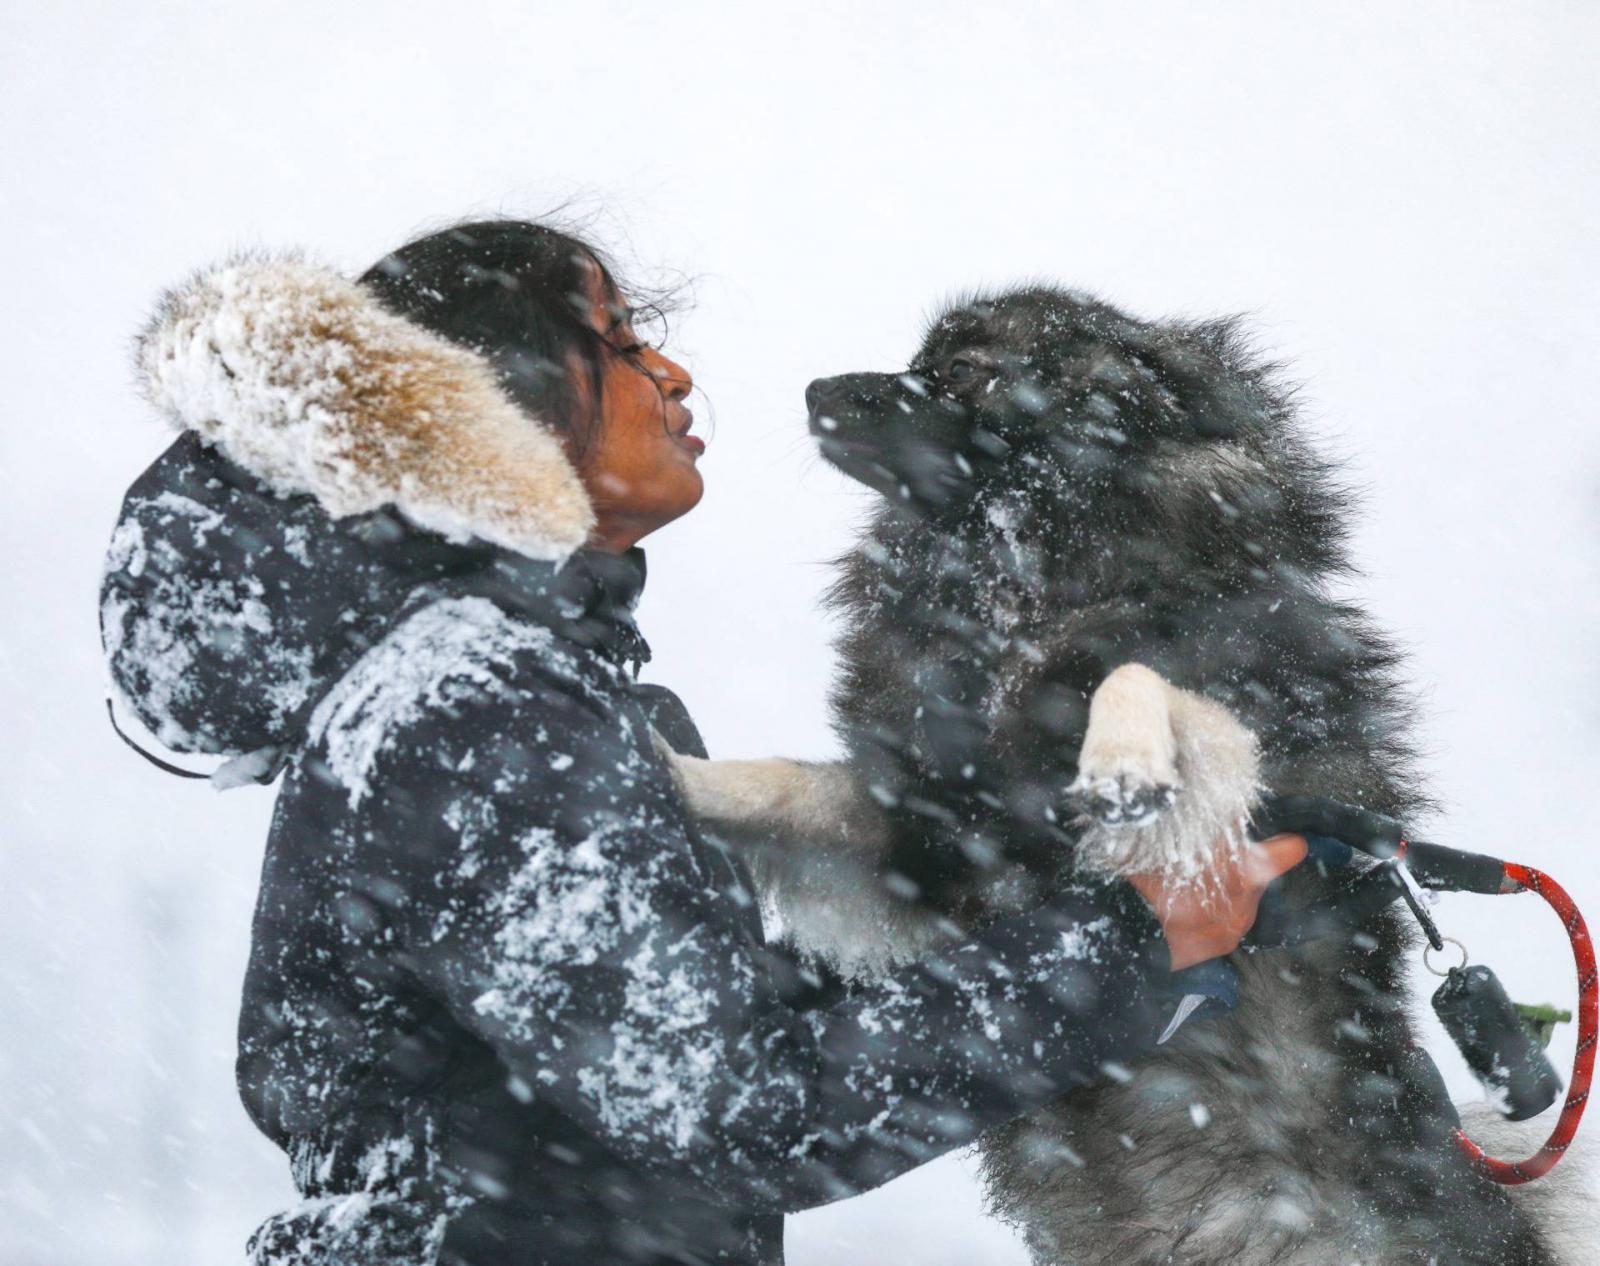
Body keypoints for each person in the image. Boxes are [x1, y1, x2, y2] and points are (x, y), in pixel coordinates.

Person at [101, 219, 1306, 1265]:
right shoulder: (475, 703)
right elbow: (737, 1108)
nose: (671, 375)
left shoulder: (511, 690)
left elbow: (707, 1036)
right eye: (620, 344)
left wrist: (1023, 894)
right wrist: (1124, 942)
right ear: (490, 398)